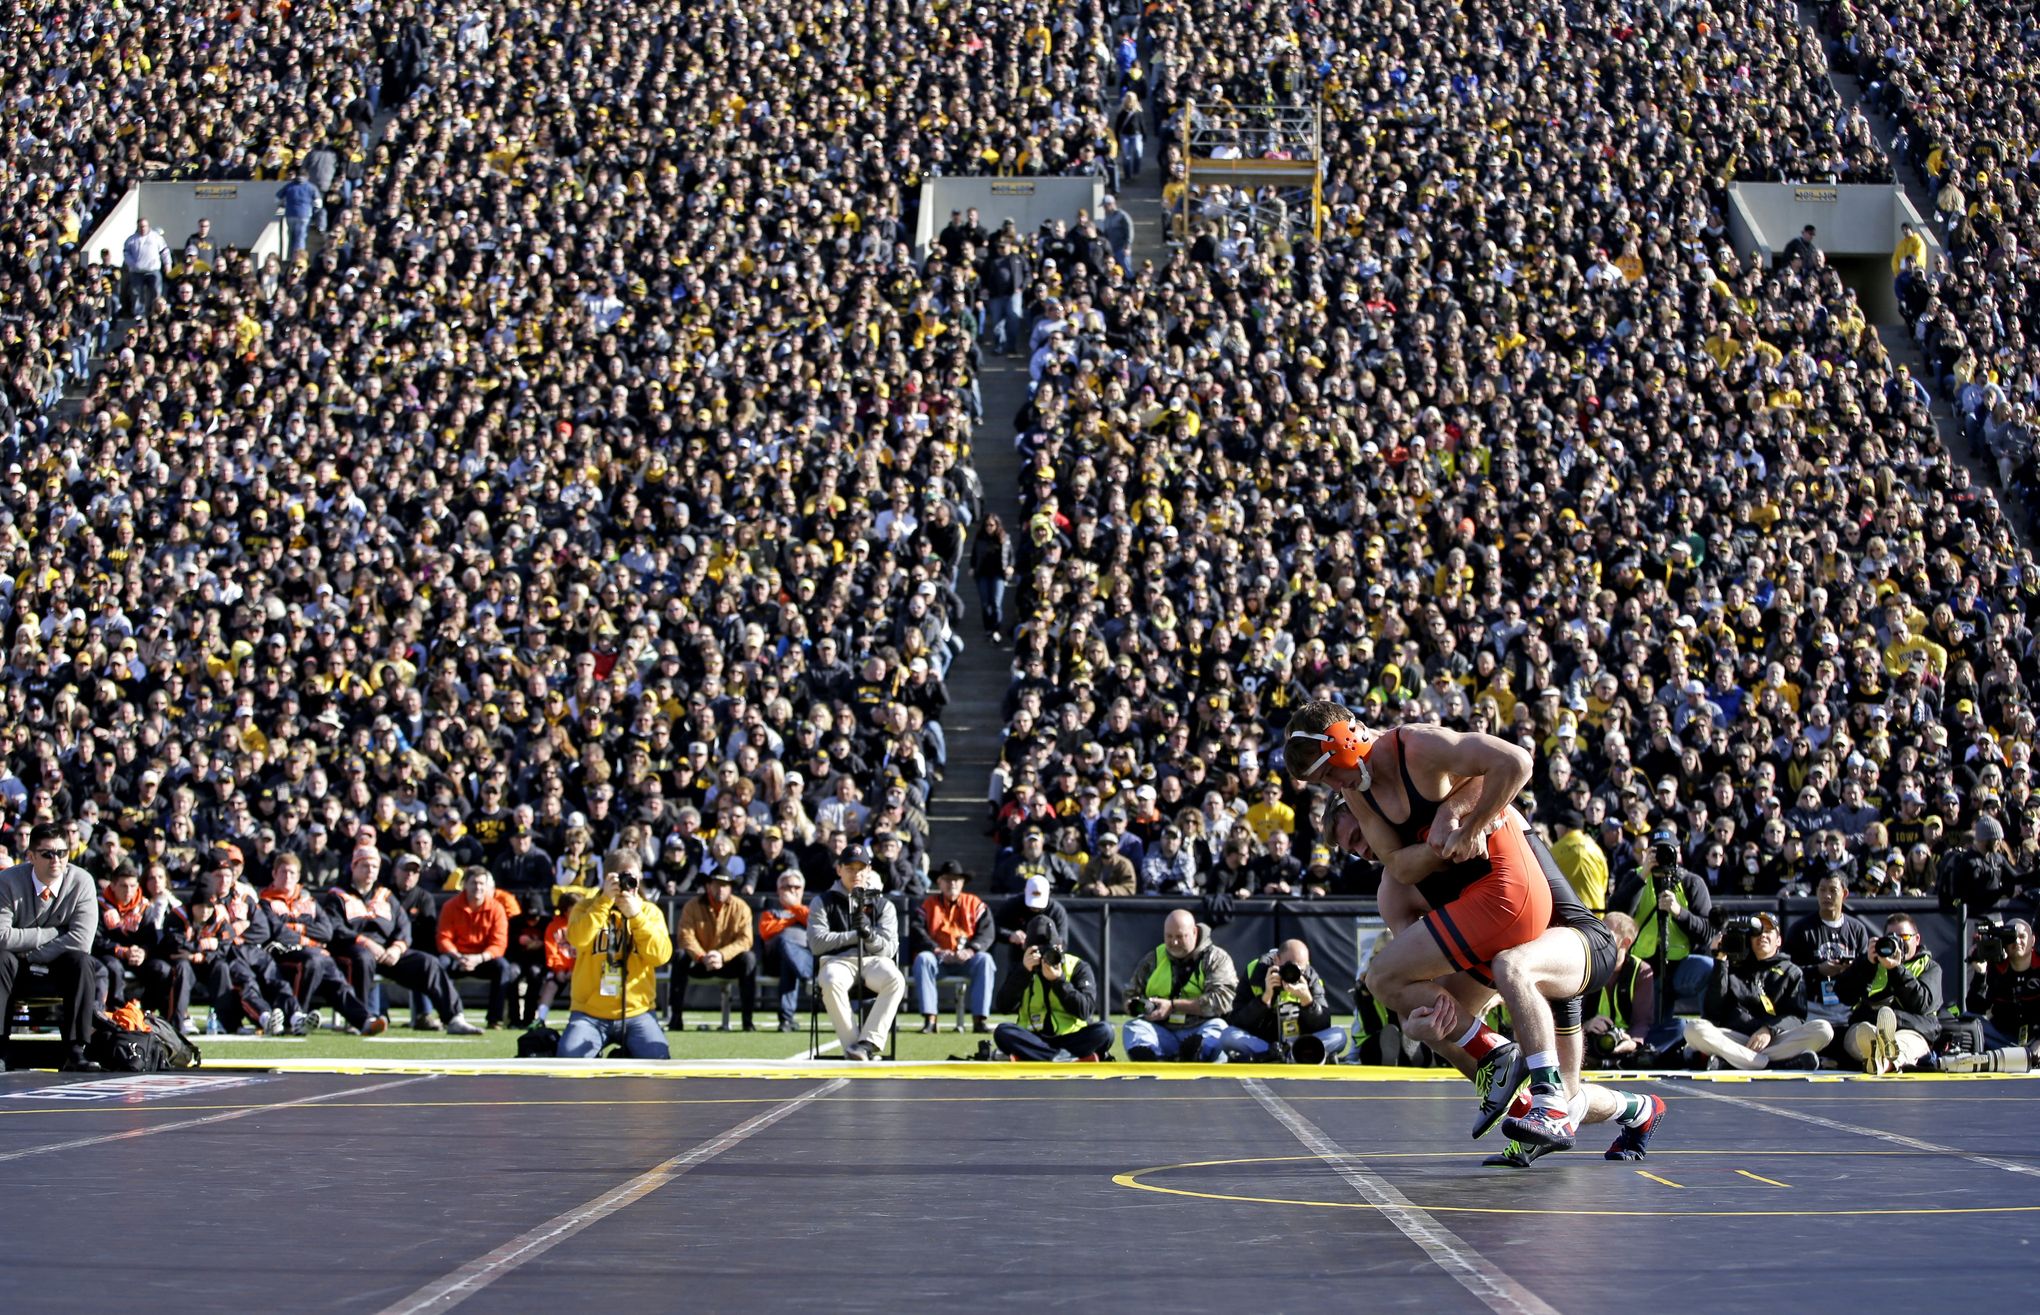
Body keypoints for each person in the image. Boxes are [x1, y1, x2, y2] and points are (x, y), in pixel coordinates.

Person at [1283, 702, 1576, 1145]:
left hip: (1540, 910)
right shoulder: (1367, 812)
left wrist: (1468, 820)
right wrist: (1442, 844)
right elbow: (1401, 868)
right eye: (1353, 848)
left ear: (1344, 741)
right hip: (1488, 921)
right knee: (1429, 1017)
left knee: (1385, 977)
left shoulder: (1415, 746)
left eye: (1328, 774)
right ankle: (1609, 1112)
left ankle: (1521, 1074)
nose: (1364, 850)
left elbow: (1515, 763)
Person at [321, 847, 481, 1035]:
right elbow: (335, 928)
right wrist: (365, 942)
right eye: (365, 865)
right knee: (362, 958)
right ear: (354, 867)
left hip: (388, 953)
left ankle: (454, 1018)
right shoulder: (337, 896)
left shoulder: (385, 895)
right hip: (355, 950)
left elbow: (403, 925)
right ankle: (362, 1020)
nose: (370, 870)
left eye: (374, 866)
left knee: (428, 963)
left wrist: (397, 947)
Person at [0, 824, 102, 1070]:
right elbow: (2, 937)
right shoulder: (7, 881)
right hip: (15, 966)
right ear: (31, 856)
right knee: (0, 958)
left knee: (82, 961)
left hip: (57, 964)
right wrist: (52, 933)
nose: (56, 859)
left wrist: (31, 953)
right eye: (47, 854)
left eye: (62, 852)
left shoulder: (82, 882)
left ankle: (76, 1050)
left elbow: (81, 940)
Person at [253, 853, 387, 1036]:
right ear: (274, 874)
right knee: (313, 961)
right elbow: (278, 933)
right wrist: (308, 936)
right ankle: (297, 1018)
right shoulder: (265, 901)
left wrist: (296, 928)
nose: (288, 877)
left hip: (316, 955)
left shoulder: (308, 901)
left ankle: (364, 1021)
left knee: (337, 983)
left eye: (292, 873)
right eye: (283, 872)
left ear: (299, 876)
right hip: (284, 956)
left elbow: (327, 932)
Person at [1680, 913, 1833, 1070]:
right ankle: (1772, 1064)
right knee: (1693, 1029)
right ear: (1749, 939)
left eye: (1768, 931)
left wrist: (1768, 1030)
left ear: (1778, 940)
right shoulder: (1732, 966)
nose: (1762, 936)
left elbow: (1796, 1017)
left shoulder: (1791, 971)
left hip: (1774, 1040)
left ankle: (1732, 1062)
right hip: (1734, 1038)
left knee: (1823, 1029)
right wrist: (1720, 962)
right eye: (1757, 932)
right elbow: (1713, 1012)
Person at [557, 871, 673, 1059]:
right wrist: (604, 901)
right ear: (606, 879)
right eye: (619, 881)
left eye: (631, 881)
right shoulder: (584, 907)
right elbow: (578, 940)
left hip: (637, 1012)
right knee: (569, 1060)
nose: (625, 886)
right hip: (590, 1013)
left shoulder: (650, 912)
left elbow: (660, 957)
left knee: (657, 1060)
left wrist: (636, 916)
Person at [810, 845, 905, 1061]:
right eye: (850, 868)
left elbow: (889, 949)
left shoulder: (883, 905)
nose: (856, 874)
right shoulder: (823, 901)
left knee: (895, 979)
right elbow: (817, 943)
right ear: (839, 870)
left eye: (861, 868)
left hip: (874, 960)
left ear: (869, 870)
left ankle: (867, 1043)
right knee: (830, 979)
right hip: (838, 960)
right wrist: (855, 935)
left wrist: (869, 935)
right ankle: (855, 1047)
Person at [1623, 834, 1716, 1025]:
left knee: (1710, 968)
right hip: (1643, 967)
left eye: (1668, 851)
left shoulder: (1691, 882)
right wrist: (1643, 875)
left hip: (1679, 964)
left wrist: (1679, 912)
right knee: (1655, 1028)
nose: (1662, 857)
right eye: (1656, 852)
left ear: (1679, 854)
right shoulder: (1636, 876)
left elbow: (1708, 932)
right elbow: (1617, 913)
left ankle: (1712, 1030)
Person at [992, 915, 1113, 1061]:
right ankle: (1064, 1058)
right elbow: (1004, 1006)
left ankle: (1037, 1057)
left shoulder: (1077, 967)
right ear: (1027, 949)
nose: (1046, 957)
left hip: (1071, 1036)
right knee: (1003, 1032)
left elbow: (1085, 1010)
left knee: (1105, 1031)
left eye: (1051, 951)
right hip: (1034, 1037)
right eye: (1040, 951)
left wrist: (1059, 981)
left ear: (1060, 947)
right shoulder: (1023, 968)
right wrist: (1023, 973)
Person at [1121, 909, 1236, 1061]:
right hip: (1163, 1031)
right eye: (1169, 936)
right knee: (1132, 1027)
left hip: (1201, 1028)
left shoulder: (1216, 958)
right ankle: (1153, 1060)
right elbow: (1130, 995)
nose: (1174, 942)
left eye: (1180, 937)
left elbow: (1223, 1001)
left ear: (1194, 932)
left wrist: (1173, 1006)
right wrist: (1142, 1007)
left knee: (1219, 1028)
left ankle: (1195, 1054)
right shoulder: (1154, 958)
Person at [1837, 913, 1942, 1073]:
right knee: (1860, 1035)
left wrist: (1896, 969)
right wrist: (1866, 964)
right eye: (1891, 937)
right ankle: (1878, 1057)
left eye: (1904, 936)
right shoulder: (1871, 963)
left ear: (1917, 939)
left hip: (1911, 1030)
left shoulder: (1930, 967)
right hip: (1871, 1026)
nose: (1898, 942)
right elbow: (1844, 995)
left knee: (1904, 1044)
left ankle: (1881, 1063)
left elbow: (1922, 1005)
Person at [1220, 940, 1349, 1063]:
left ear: (1307, 964)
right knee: (1228, 1036)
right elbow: (1236, 1020)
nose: (1293, 973)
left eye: (1299, 969)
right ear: (1276, 960)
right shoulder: (1255, 973)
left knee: (1340, 1035)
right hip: (1264, 1043)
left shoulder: (1311, 978)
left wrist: (1307, 1001)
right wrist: (1265, 999)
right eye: (1289, 967)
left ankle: (1286, 1056)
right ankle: (1277, 1055)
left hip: (1301, 1045)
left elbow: (1324, 1025)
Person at [1941, 919, 2040, 1072]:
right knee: (1969, 1020)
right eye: (2011, 937)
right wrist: (1980, 974)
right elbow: (1976, 1008)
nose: (2017, 942)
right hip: (2004, 1039)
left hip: (2036, 1040)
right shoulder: (1996, 967)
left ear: (2032, 940)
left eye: (2022, 937)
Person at [909, 862, 995, 1033]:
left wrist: (970, 950)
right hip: (939, 960)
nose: (952, 883)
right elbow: (916, 930)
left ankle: (980, 1020)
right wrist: (937, 950)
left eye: (956, 880)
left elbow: (987, 932)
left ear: (962, 883)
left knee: (985, 960)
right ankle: (930, 1020)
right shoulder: (929, 905)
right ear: (939, 882)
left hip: (967, 961)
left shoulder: (975, 903)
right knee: (923, 959)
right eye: (947, 880)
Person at [1783, 873, 1872, 1026]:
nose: (1827, 896)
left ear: (1844, 894)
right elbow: (1786, 972)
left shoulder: (1857, 930)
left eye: (1833, 890)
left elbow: (1867, 974)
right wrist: (1818, 971)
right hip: (1811, 1006)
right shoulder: (1801, 929)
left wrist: (1851, 969)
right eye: (1822, 890)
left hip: (1848, 1007)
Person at [674, 869, 757, 1030]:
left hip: (728, 963)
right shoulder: (692, 906)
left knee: (749, 958)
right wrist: (702, 956)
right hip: (699, 963)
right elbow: (685, 936)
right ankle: (675, 1018)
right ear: (708, 885)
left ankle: (748, 1021)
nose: (721, 889)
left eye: (725, 885)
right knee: (680, 956)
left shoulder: (741, 907)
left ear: (731, 887)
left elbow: (745, 940)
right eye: (717, 884)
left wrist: (722, 955)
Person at [436, 866, 519, 1028]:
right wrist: (458, 956)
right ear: (465, 884)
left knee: (503, 967)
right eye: (474, 883)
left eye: (482, 883)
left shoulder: (497, 908)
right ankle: (447, 1016)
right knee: (439, 964)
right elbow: (443, 938)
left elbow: (499, 944)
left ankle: (495, 1019)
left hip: (483, 958)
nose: (478, 887)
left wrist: (479, 958)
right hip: (457, 957)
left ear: (488, 886)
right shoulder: (450, 906)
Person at [1581, 913, 1656, 1068]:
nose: (1598, 938)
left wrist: (1633, 1042)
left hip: (1624, 1038)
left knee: (1676, 1028)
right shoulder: (1585, 965)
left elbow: (1642, 1020)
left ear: (1625, 943)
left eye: (1606, 934)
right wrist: (1586, 1025)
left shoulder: (1641, 971)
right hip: (1588, 1038)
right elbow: (1567, 1011)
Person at [94, 866, 155, 1010]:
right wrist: (121, 951)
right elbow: (96, 940)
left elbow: (151, 939)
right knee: (114, 967)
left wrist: (143, 952)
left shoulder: (144, 907)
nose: (128, 891)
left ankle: (149, 1012)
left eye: (133, 886)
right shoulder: (99, 905)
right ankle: (116, 1012)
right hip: (108, 954)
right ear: (113, 885)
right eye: (123, 886)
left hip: (136, 956)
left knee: (161, 969)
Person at [759, 872, 813, 1032]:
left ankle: (786, 1020)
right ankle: (808, 978)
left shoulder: (810, 911)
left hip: (804, 959)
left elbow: (815, 924)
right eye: (787, 887)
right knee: (784, 941)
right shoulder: (770, 913)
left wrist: (795, 908)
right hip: (773, 960)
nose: (792, 890)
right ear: (779, 890)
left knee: (788, 964)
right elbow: (767, 931)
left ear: (803, 890)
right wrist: (794, 917)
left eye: (796, 887)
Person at [526, 894, 578, 1029]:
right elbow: (551, 950)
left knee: (579, 987)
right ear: (566, 910)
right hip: (559, 969)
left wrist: (574, 969)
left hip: (579, 968)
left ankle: (578, 1019)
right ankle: (541, 1018)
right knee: (550, 986)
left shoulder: (583, 925)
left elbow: (585, 951)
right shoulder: (554, 926)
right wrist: (559, 969)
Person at [121, 217, 170, 317]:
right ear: (138, 226)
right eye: (141, 226)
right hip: (137, 272)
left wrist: (167, 264)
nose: (143, 228)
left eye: (145, 226)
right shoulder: (131, 240)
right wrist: (132, 264)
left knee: (156, 292)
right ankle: (139, 313)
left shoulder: (156, 237)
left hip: (153, 270)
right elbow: (126, 254)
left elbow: (165, 252)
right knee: (136, 293)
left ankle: (156, 312)